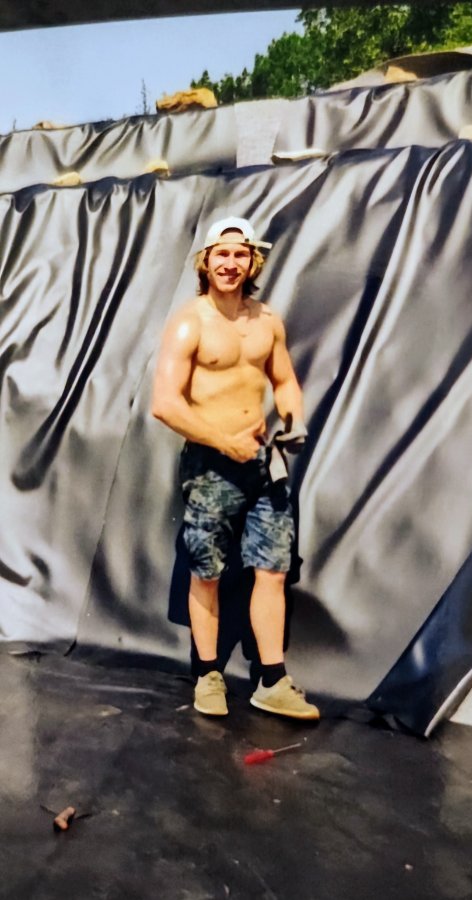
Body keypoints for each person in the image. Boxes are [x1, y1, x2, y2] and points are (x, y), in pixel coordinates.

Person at [152, 216, 319, 720]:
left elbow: (284, 380)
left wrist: (293, 417)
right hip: (210, 468)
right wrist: (224, 442)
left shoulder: (267, 320)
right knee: (206, 574)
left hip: (262, 464)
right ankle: (207, 675)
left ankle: (272, 680)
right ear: (205, 262)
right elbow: (165, 404)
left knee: (272, 569)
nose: (230, 263)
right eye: (221, 255)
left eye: (240, 254)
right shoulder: (190, 323)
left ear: (253, 262)